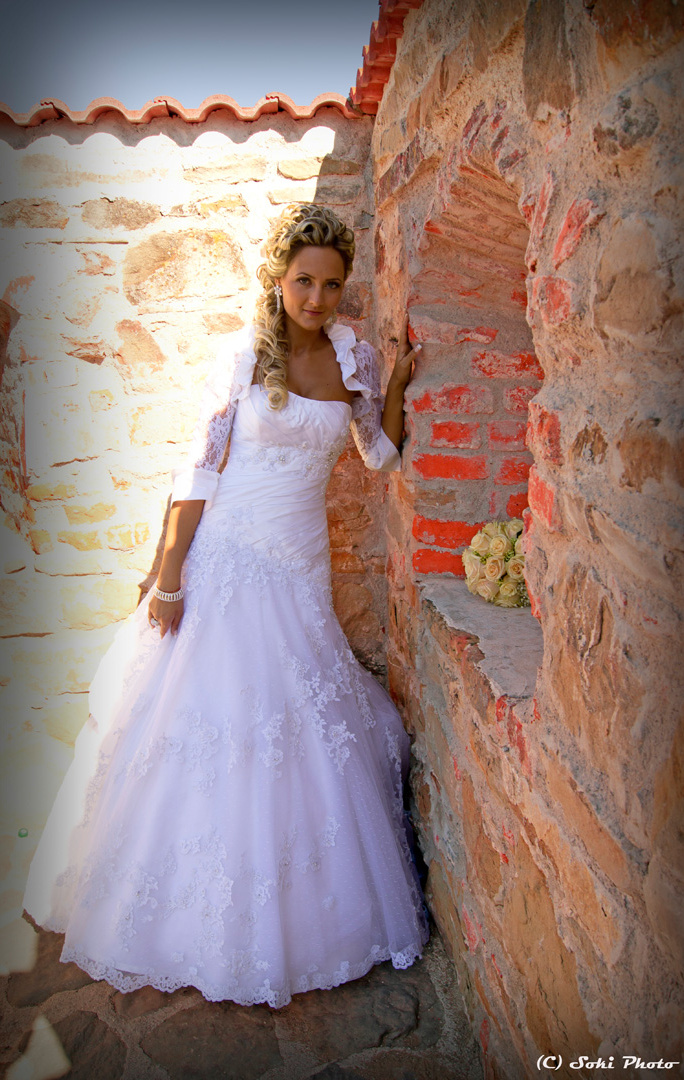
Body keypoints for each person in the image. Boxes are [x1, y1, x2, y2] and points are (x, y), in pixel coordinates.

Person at [23, 202, 429, 1008]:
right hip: (229, 558)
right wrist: (171, 575)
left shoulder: (352, 357)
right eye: (304, 282)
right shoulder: (243, 357)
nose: (316, 299)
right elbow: (198, 471)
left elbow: (381, 456)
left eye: (332, 286)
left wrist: (397, 386)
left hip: (301, 564)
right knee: (215, 720)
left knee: (296, 717)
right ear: (279, 280)